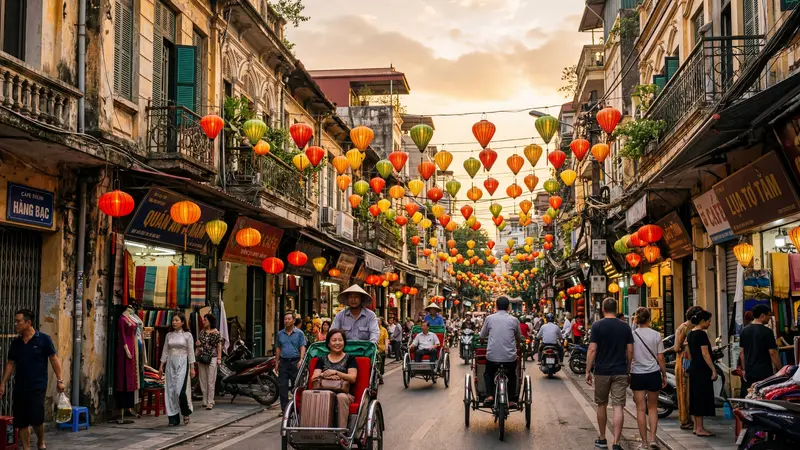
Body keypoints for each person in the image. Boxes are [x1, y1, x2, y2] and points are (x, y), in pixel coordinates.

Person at [0, 309, 64, 450]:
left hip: (37, 386)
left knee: (36, 418)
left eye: (19, 321)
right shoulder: (16, 343)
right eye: (15, 321)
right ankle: (27, 448)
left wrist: (60, 380)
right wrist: (3, 383)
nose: (16, 324)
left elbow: (53, 359)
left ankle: (40, 441)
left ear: (28, 323)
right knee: (22, 421)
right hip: (20, 386)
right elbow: (11, 363)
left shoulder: (44, 339)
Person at [586, 298, 633, 450]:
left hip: (602, 371)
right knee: (618, 406)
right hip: (620, 370)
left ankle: (602, 438)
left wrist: (588, 370)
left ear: (603, 310)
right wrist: (628, 368)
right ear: (616, 308)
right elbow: (630, 350)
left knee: (601, 404)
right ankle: (617, 443)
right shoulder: (625, 327)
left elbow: (592, 349)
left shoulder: (597, 325)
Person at [630, 307, 666, 450]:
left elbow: (630, 354)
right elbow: (661, 357)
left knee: (640, 409)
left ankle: (644, 443)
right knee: (652, 408)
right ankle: (653, 439)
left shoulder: (632, 335)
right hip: (653, 374)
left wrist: (628, 371)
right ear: (649, 319)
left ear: (636, 320)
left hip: (637, 374)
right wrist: (663, 374)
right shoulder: (656, 335)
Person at [311, 329, 358, 429]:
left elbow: (352, 378)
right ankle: (316, 430)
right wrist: (326, 375)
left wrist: (336, 373)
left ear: (344, 342)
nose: (337, 343)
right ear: (328, 343)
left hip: (345, 394)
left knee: (340, 397)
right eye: (334, 340)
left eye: (340, 340)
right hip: (324, 392)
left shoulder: (350, 358)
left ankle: (341, 432)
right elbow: (314, 378)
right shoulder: (322, 359)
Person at [480, 296, 522, 408]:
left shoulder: (489, 318)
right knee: (512, 374)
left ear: (496, 306)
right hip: (510, 357)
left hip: (492, 357)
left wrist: (482, 340)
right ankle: (512, 400)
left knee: (488, 373)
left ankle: (489, 395)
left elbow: (482, 336)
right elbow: (518, 337)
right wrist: (518, 344)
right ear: (508, 307)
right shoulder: (514, 320)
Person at [159, 313, 195, 426]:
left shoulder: (187, 335)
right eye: (173, 320)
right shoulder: (169, 335)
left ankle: (186, 412)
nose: (174, 322)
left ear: (183, 322)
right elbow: (165, 350)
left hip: (183, 363)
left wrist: (192, 367)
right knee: (170, 391)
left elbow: (191, 352)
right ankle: (173, 418)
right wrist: (161, 365)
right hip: (170, 364)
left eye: (176, 320)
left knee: (180, 391)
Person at [671, 305, 702, 430]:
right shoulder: (684, 328)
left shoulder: (691, 328)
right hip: (685, 362)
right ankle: (685, 420)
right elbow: (676, 348)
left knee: (689, 391)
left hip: (689, 361)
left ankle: (689, 419)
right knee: (684, 391)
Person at [739, 304, 780, 396]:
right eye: (768, 315)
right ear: (762, 315)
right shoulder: (767, 332)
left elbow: (742, 352)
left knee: (751, 395)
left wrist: (744, 369)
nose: (769, 317)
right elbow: (773, 353)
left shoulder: (744, 331)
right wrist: (780, 369)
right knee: (764, 396)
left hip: (749, 372)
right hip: (763, 371)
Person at [687, 310, 717, 437]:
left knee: (695, 396)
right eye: (709, 321)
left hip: (694, 367)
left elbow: (689, 353)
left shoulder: (690, 333)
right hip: (702, 369)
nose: (710, 324)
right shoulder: (701, 335)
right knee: (701, 397)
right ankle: (699, 428)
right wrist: (713, 369)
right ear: (702, 321)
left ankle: (696, 426)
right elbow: (705, 353)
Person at [276, 311, 307, 414]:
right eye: (285, 319)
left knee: (296, 386)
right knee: (283, 386)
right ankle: (284, 409)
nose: (287, 321)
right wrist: (276, 362)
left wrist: (301, 359)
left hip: (295, 361)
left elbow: (302, 347)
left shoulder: (299, 333)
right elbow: (278, 348)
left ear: (294, 321)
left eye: (289, 319)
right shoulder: (280, 334)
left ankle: (297, 407)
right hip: (283, 362)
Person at [195, 313, 222, 410]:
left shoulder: (216, 333)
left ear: (210, 321)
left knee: (211, 380)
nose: (203, 322)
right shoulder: (202, 332)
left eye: (205, 320)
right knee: (203, 379)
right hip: (202, 357)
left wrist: (219, 358)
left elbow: (219, 346)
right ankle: (205, 399)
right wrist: (197, 346)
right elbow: (199, 343)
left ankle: (210, 401)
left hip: (212, 357)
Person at [377, 318, 389, 385]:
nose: (377, 322)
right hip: (374, 349)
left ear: (381, 322)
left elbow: (386, 339)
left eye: (378, 321)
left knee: (381, 364)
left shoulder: (384, 330)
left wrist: (386, 349)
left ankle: (381, 376)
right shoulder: (373, 329)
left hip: (382, 349)